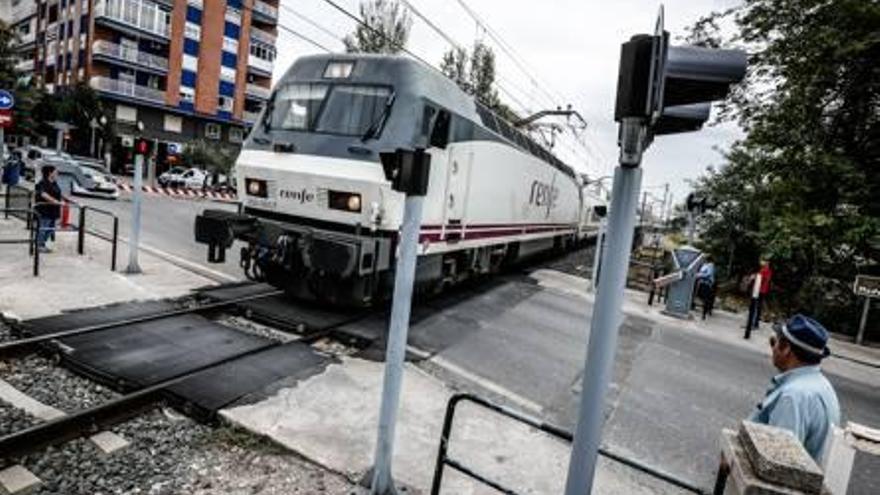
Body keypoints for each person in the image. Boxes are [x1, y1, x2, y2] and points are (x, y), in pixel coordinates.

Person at [750, 314, 840, 462]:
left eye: (775, 342)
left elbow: (778, 461)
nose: (772, 348)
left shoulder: (792, 397)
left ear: (785, 349)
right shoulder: (822, 385)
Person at [34, 165, 72, 253]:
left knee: (51, 228)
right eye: (55, 171)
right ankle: (39, 245)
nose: (57, 173)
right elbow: (43, 194)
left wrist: (66, 199)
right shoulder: (42, 183)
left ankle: (42, 243)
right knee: (44, 227)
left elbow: (58, 193)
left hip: (54, 210)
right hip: (45, 210)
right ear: (50, 173)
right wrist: (56, 201)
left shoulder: (54, 182)